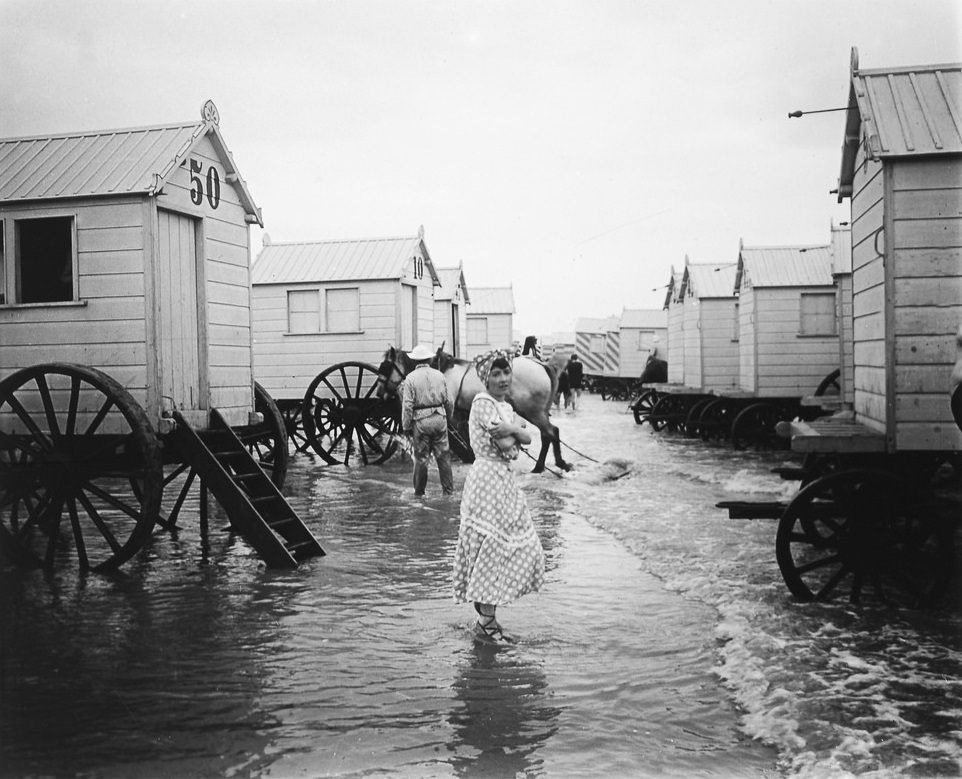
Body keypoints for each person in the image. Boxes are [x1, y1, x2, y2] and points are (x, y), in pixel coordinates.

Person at [452, 350, 544, 643]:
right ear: (485, 378)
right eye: (496, 374)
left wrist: (514, 429)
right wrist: (516, 431)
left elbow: (526, 439)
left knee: (514, 545)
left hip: (502, 482)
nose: (503, 379)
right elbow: (511, 449)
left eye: (506, 373)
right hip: (488, 480)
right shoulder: (482, 403)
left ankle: (487, 618)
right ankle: (486, 622)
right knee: (490, 548)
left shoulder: (503, 406)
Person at [400, 343, 454, 496]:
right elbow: (449, 401)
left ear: (415, 361)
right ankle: (448, 492)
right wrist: (447, 418)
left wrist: (406, 426)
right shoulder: (440, 375)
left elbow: (407, 406)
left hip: (421, 421)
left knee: (421, 458)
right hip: (440, 418)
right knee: (444, 457)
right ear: (429, 360)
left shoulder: (410, 378)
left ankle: (419, 493)